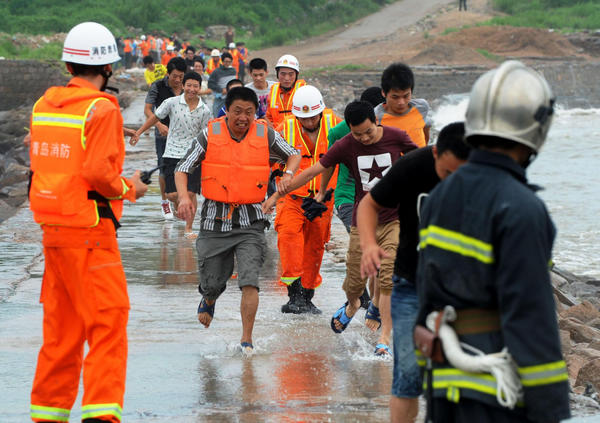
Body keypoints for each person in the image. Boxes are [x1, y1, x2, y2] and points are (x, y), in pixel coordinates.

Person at [415, 61, 570, 422]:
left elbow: (428, 292)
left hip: (444, 387)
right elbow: (530, 317)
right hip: (494, 394)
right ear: (537, 127)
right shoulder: (522, 208)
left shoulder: (440, 196)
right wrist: (550, 408)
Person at [28, 21, 148, 423]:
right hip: (91, 232)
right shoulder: (101, 108)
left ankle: (47, 415)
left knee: (61, 334)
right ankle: (100, 416)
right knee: (107, 324)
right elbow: (98, 174)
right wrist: (129, 189)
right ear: (108, 66)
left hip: (52, 232)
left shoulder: (43, 106)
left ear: (68, 65)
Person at [267, 100, 417, 353]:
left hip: (394, 218)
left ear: (376, 122)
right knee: (354, 283)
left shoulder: (396, 137)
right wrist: (278, 194)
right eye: (358, 134)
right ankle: (352, 305)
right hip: (364, 220)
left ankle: (384, 340)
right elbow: (313, 171)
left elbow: (423, 160)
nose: (364, 138)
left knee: (388, 276)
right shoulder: (346, 144)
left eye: (368, 132)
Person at [174, 86, 301, 354]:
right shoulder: (211, 133)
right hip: (214, 222)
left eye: (249, 112)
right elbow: (183, 168)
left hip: (251, 222)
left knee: (250, 280)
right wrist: (185, 198)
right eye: (237, 112)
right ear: (227, 111)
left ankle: (246, 340)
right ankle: (209, 298)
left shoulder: (265, 132)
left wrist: (288, 173)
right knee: (213, 281)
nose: (243, 118)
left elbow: (293, 153)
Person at [358, 122, 470, 423]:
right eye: (447, 173)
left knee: (458, 379)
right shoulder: (414, 166)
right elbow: (369, 205)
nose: (453, 182)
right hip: (411, 283)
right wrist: (368, 245)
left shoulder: (486, 177)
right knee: (407, 377)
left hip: (464, 292)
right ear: (435, 153)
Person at [262, 85, 341, 314]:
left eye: (312, 117)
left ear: (320, 111)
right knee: (288, 243)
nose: (308, 122)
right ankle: (293, 295)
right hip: (291, 199)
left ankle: (307, 297)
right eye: (303, 118)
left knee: (315, 249)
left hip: (322, 201)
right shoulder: (284, 128)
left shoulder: (334, 124)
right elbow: (267, 157)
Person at [132, 71, 211, 237]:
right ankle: (181, 205)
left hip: (193, 155)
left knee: (190, 193)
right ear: (183, 86)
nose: (191, 89)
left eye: (195, 86)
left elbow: (206, 135)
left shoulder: (205, 110)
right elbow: (155, 117)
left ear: (199, 88)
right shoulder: (172, 103)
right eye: (188, 85)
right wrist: (138, 132)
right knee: (172, 194)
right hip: (172, 152)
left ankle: (188, 228)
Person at [143, 56, 186, 220]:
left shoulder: (185, 86)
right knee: (163, 168)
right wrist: (159, 125)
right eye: (175, 76)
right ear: (168, 74)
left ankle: (179, 202)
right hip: (162, 134)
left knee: (181, 168)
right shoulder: (158, 86)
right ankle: (164, 202)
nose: (177, 80)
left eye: (181, 77)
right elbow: (147, 109)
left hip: (182, 134)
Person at [375, 63, 431, 148]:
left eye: (406, 96)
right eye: (395, 97)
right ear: (383, 93)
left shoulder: (421, 107)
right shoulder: (376, 117)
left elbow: (426, 127)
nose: (401, 102)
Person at [265, 54, 306, 128]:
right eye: (283, 74)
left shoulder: (304, 91)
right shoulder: (273, 91)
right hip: (277, 136)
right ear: (277, 74)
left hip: (298, 136)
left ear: (297, 75)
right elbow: (269, 116)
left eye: (291, 74)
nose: (287, 78)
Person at [208, 52, 237, 117]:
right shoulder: (217, 71)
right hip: (220, 98)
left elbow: (235, 82)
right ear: (222, 61)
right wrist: (221, 90)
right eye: (226, 61)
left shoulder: (233, 71)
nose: (227, 63)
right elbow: (210, 84)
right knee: (218, 116)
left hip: (231, 97)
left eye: (229, 62)